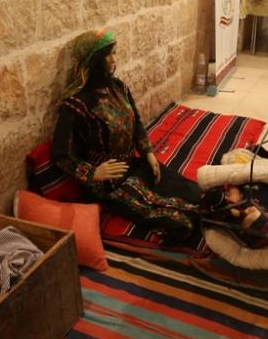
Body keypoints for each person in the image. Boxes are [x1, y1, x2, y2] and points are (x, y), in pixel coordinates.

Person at [52, 30, 203, 239]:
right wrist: (92, 173)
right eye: (106, 55)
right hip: (109, 183)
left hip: (134, 164)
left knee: (193, 192)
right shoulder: (75, 105)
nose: (113, 60)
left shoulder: (119, 87)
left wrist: (148, 153)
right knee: (181, 220)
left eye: (114, 53)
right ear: (93, 61)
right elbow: (61, 154)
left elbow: (136, 123)